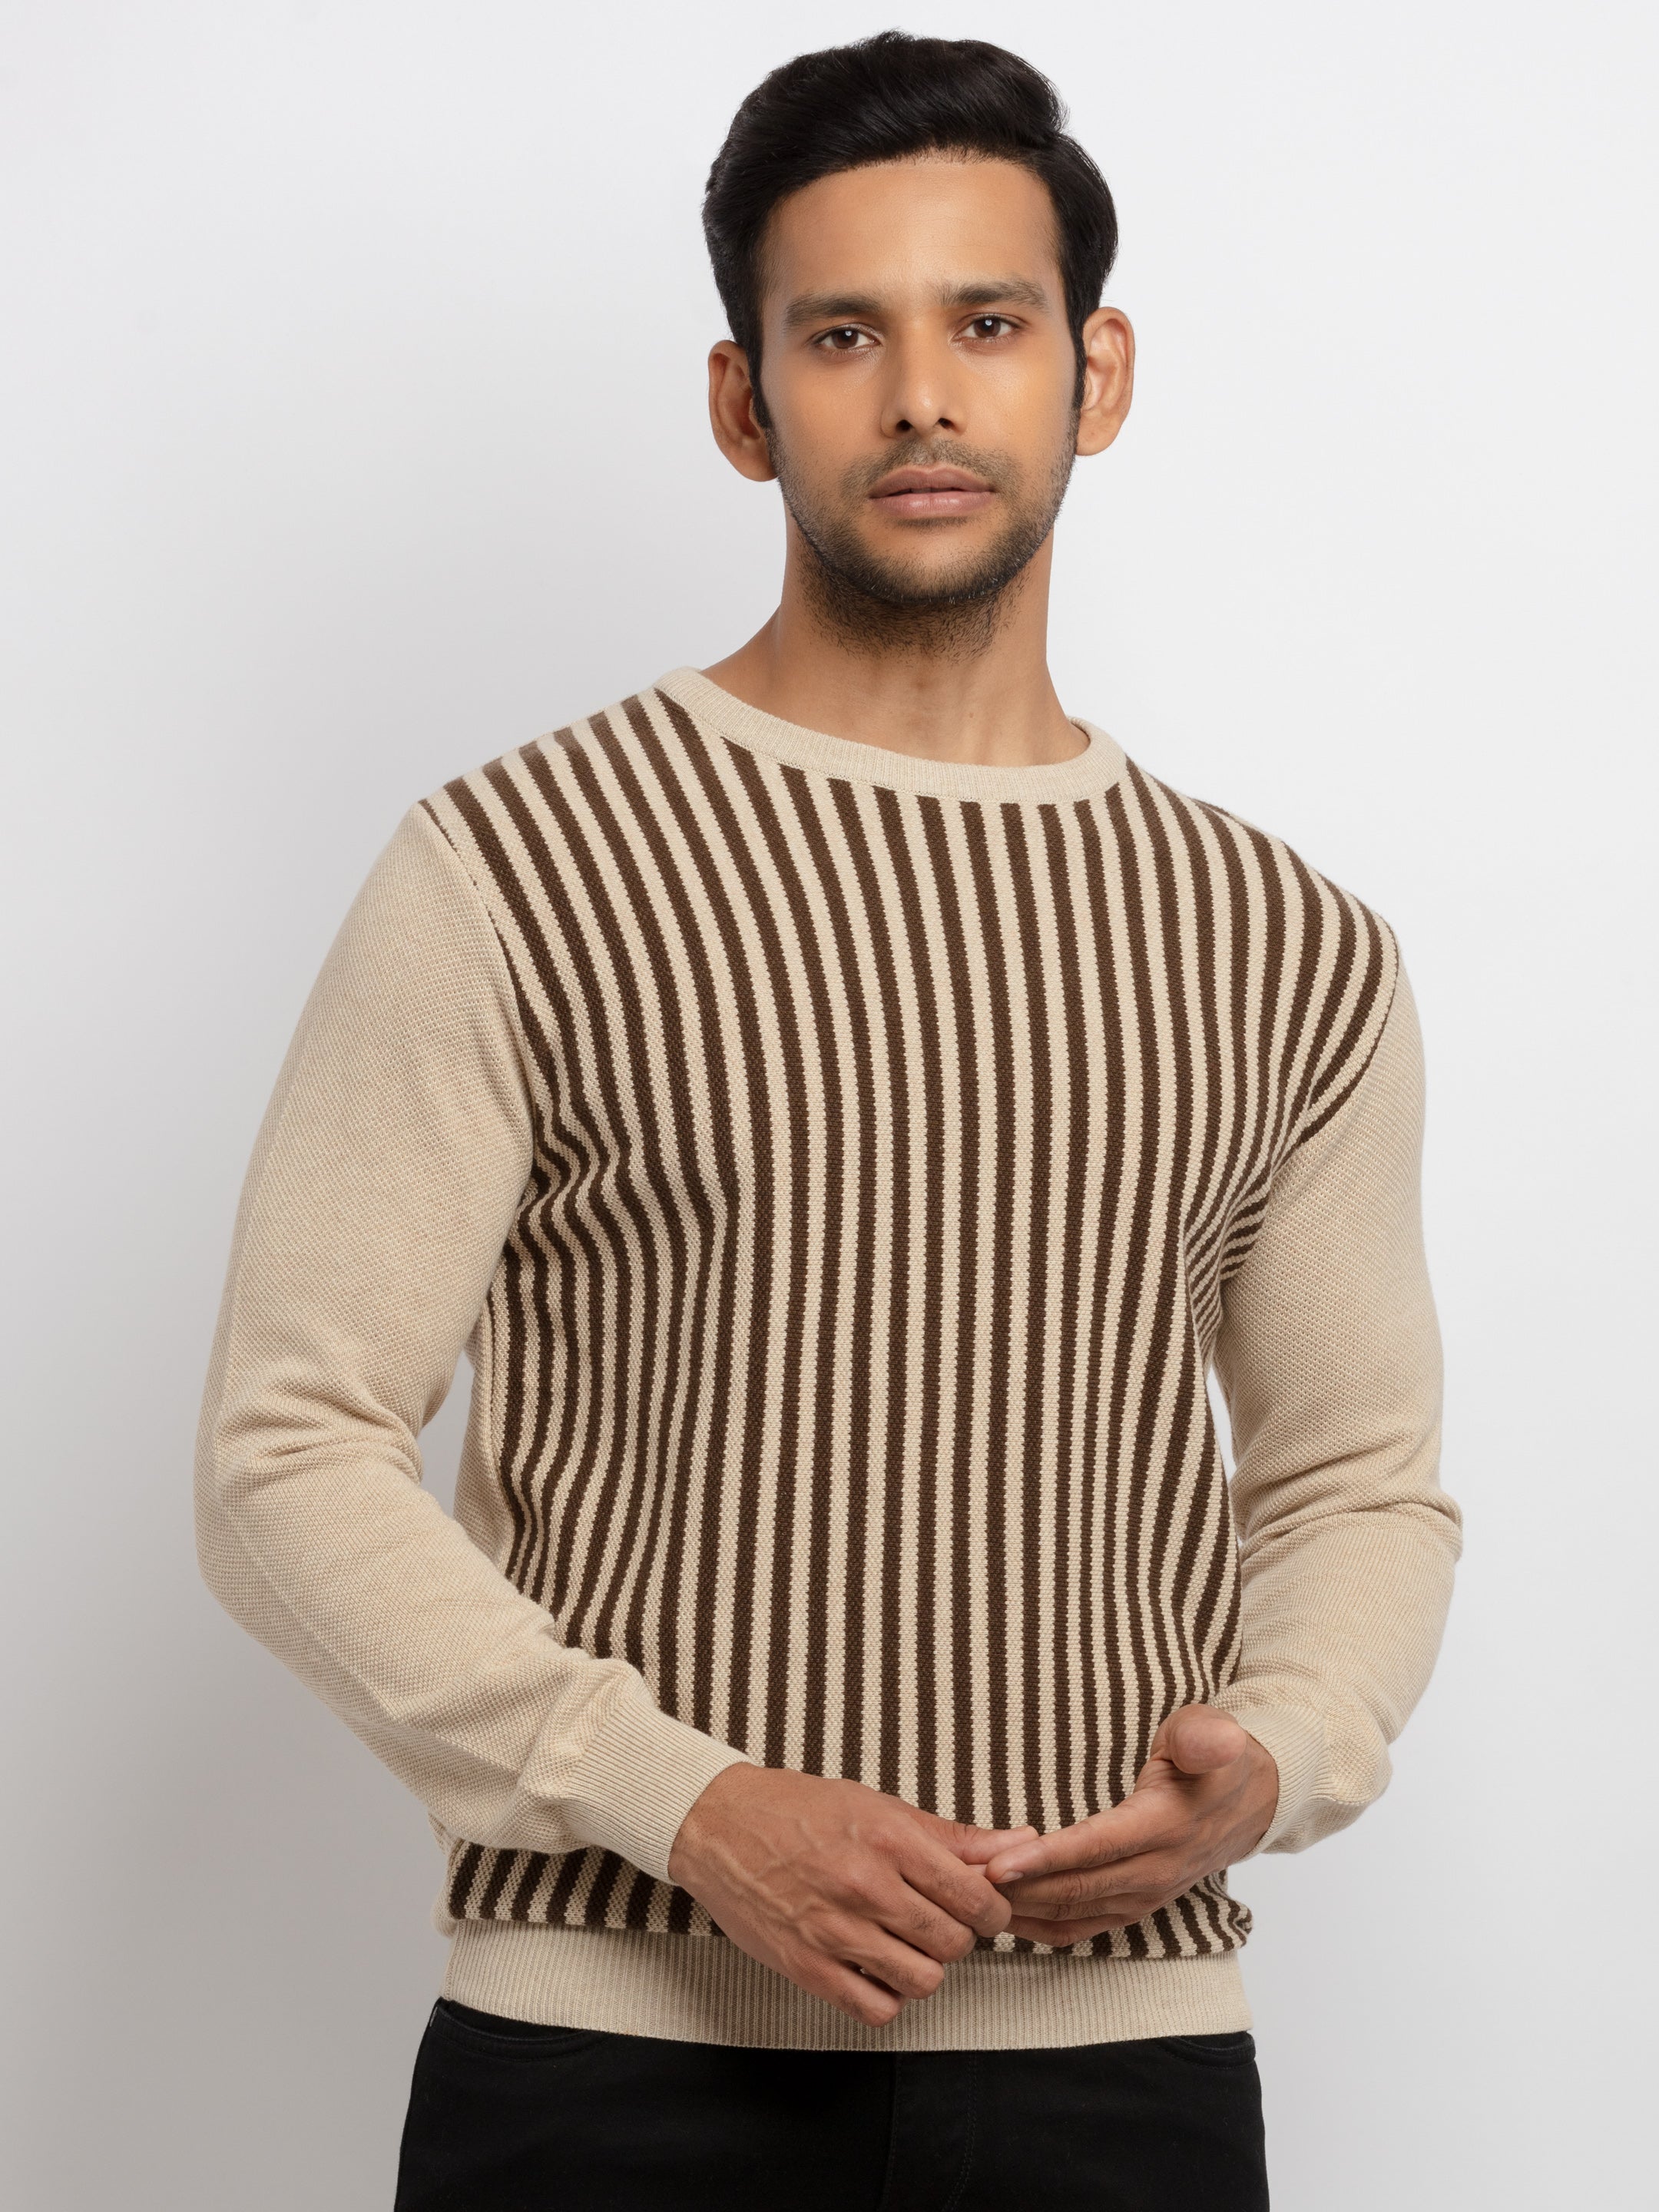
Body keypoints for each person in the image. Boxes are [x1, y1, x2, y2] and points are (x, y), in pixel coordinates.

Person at [195, 30, 1461, 2210]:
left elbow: (1360, 1481)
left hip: (1120, 2071)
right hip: (609, 2068)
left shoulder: (1291, 946)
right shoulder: (518, 866)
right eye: (845, 335)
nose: (924, 398)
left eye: (990, 325)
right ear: (744, 401)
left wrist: (1280, 1750)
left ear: (1098, 373)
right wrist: (679, 1801)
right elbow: (284, 1452)